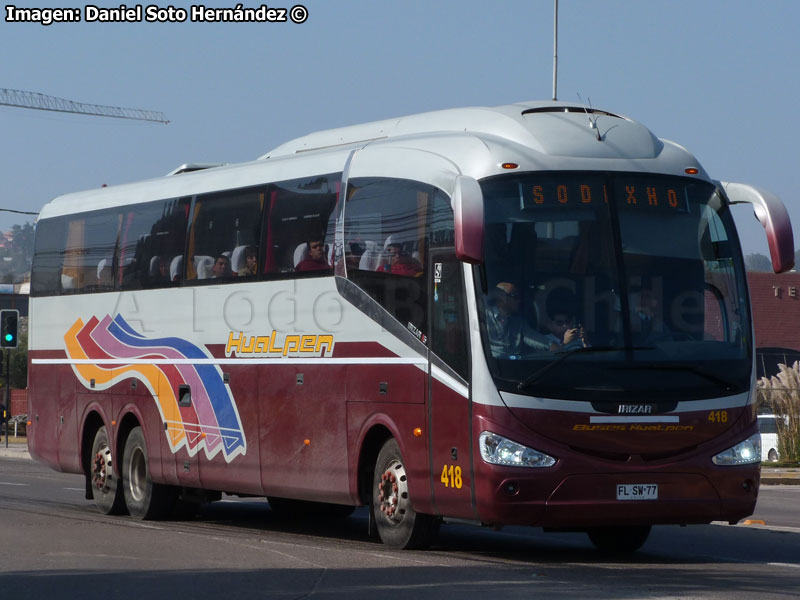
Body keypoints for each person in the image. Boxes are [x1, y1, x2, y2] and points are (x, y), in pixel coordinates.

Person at [485, 282, 550, 358]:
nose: (519, 301)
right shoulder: (484, 317)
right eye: (515, 297)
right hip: (490, 365)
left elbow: (535, 338)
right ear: (502, 297)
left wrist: (552, 345)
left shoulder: (518, 322)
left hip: (513, 366)